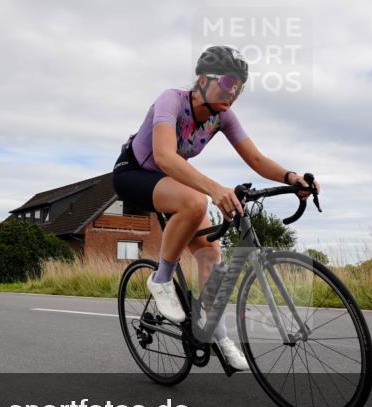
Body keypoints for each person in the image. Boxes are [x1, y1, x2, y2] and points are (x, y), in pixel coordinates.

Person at [112, 46, 319, 371]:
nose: (233, 90)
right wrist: (214, 189)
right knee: (197, 201)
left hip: (172, 182)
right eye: (227, 81)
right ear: (202, 79)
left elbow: (256, 159)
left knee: (210, 252)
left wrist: (292, 178)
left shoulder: (222, 116)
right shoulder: (172, 100)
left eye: (239, 86)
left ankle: (218, 335)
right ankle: (160, 278)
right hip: (134, 174)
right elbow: (164, 157)